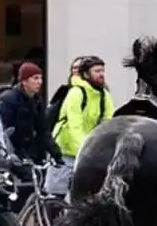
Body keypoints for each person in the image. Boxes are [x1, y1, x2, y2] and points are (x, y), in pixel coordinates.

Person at [45, 56, 115, 195]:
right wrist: (87, 150)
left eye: (102, 70)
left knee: (86, 195)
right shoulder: (76, 93)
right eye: (97, 71)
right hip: (65, 151)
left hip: (86, 152)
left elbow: (108, 124)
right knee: (55, 195)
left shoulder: (104, 95)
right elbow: (74, 126)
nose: (101, 74)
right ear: (86, 74)